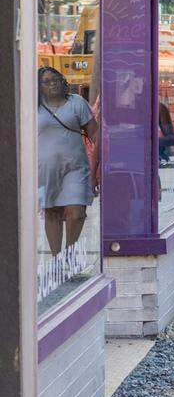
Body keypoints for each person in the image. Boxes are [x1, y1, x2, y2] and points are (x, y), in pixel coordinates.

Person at [37, 66, 99, 257]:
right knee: (53, 212)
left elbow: (95, 134)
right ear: (39, 87)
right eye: (47, 81)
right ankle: (57, 258)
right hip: (45, 169)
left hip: (76, 168)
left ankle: (70, 254)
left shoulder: (77, 103)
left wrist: (99, 167)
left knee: (77, 212)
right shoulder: (33, 106)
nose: (53, 83)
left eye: (56, 79)